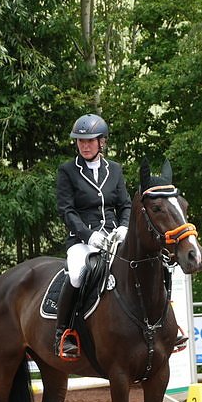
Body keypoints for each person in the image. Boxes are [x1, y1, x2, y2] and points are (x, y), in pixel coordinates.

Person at [54, 113, 132, 359]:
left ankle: (160, 328)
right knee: (77, 273)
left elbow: (125, 204)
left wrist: (124, 227)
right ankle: (64, 332)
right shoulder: (67, 171)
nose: (85, 146)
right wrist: (88, 235)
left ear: (102, 142)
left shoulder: (115, 170)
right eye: (81, 141)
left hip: (114, 237)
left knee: (144, 263)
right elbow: (66, 210)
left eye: (90, 141)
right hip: (82, 240)